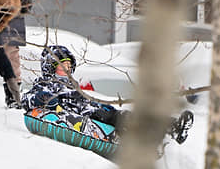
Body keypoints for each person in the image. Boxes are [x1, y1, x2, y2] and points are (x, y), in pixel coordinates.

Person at [22, 45, 195, 144]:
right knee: (123, 120)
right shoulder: (44, 85)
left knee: (127, 117)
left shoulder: (72, 85)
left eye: (69, 67)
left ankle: (170, 127)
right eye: (62, 66)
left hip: (94, 110)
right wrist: (45, 96)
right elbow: (27, 101)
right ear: (50, 68)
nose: (67, 70)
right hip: (84, 115)